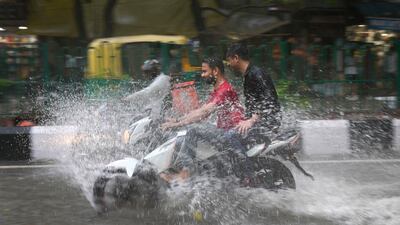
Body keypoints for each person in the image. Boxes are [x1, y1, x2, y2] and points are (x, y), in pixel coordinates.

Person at [160, 57, 245, 181]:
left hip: (230, 135)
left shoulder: (224, 90)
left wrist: (177, 124)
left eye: (205, 71)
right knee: (189, 130)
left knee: (192, 130)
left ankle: (186, 174)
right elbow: (201, 111)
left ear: (215, 71)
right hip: (224, 131)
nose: (202, 75)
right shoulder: (217, 90)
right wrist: (177, 120)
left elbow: (204, 112)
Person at [226, 43, 281, 149]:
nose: (228, 64)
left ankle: (245, 165)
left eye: (229, 60)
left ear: (236, 58)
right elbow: (254, 102)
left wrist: (251, 120)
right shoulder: (248, 74)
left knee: (231, 136)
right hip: (259, 120)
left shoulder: (256, 73)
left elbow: (269, 100)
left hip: (268, 122)